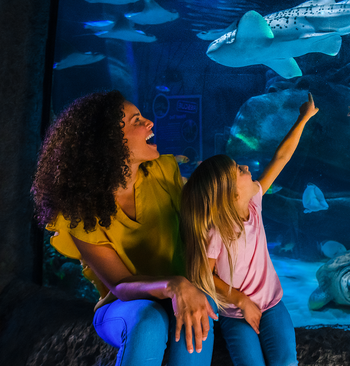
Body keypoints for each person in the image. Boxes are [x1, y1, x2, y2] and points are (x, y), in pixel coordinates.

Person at [31, 90, 217, 366]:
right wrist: (173, 285)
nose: (149, 122)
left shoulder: (165, 171)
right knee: (149, 320)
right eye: (135, 120)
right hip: (123, 307)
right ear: (109, 142)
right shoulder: (82, 210)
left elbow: (206, 232)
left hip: (181, 294)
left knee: (203, 303)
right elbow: (120, 285)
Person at [180, 93, 319, 366]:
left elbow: (281, 158)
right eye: (238, 170)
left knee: (286, 362)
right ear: (231, 194)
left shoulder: (253, 201)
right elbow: (203, 275)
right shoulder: (217, 230)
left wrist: (303, 119)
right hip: (235, 314)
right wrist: (241, 301)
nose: (245, 166)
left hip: (272, 304)